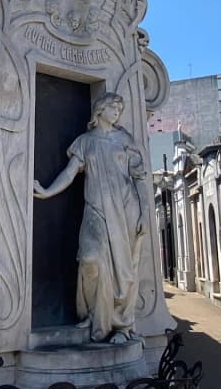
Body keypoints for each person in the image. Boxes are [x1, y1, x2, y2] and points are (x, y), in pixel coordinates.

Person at [33, 92, 146, 344]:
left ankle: (120, 327)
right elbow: (70, 173)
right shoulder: (85, 141)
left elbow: (139, 178)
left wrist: (145, 213)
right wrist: (48, 190)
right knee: (90, 259)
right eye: (113, 107)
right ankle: (93, 314)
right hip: (96, 209)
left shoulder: (124, 139)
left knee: (122, 271)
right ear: (99, 110)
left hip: (126, 210)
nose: (117, 112)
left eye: (120, 108)